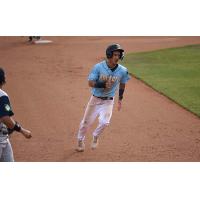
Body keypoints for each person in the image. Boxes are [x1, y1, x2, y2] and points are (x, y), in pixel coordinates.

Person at [76, 43, 130, 152]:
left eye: (118, 55)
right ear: (109, 55)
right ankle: (80, 140)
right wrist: (102, 84)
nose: (117, 57)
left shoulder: (123, 70)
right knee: (86, 123)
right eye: (115, 55)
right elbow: (90, 83)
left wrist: (120, 98)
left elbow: (123, 83)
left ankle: (95, 136)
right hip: (95, 100)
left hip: (108, 101)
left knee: (105, 122)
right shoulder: (98, 67)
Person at [0, 68, 32, 162]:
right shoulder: (2, 96)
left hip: (4, 139)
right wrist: (22, 130)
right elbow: (6, 119)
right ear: (2, 80)